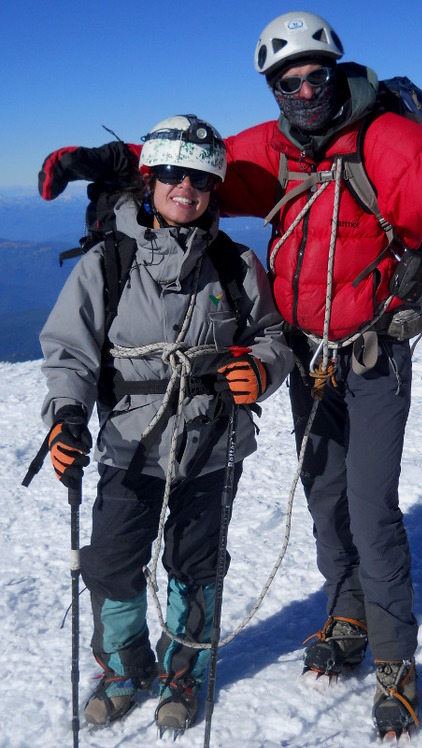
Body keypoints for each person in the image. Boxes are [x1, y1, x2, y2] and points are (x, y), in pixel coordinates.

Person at [37, 11, 422, 739]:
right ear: (274, 87)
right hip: (307, 361)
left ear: (336, 73)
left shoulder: (390, 144)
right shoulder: (275, 150)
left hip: (373, 356)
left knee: (370, 509)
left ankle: (395, 663)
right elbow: (192, 164)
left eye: (316, 76)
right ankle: (347, 613)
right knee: (325, 496)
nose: (305, 90)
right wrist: (109, 162)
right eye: (289, 81)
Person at [39, 114, 293, 733]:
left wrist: (261, 370)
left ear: (214, 189)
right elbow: (70, 350)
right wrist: (66, 416)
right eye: (173, 174)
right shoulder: (110, 261)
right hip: (130, 438)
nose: (187, 187)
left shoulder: (233, 265)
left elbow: (272, 336)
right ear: (149, 181)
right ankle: (126, 667)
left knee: (196, 562)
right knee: (113, 561)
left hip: (212, 440)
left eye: (201, 178)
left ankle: (185, 672)